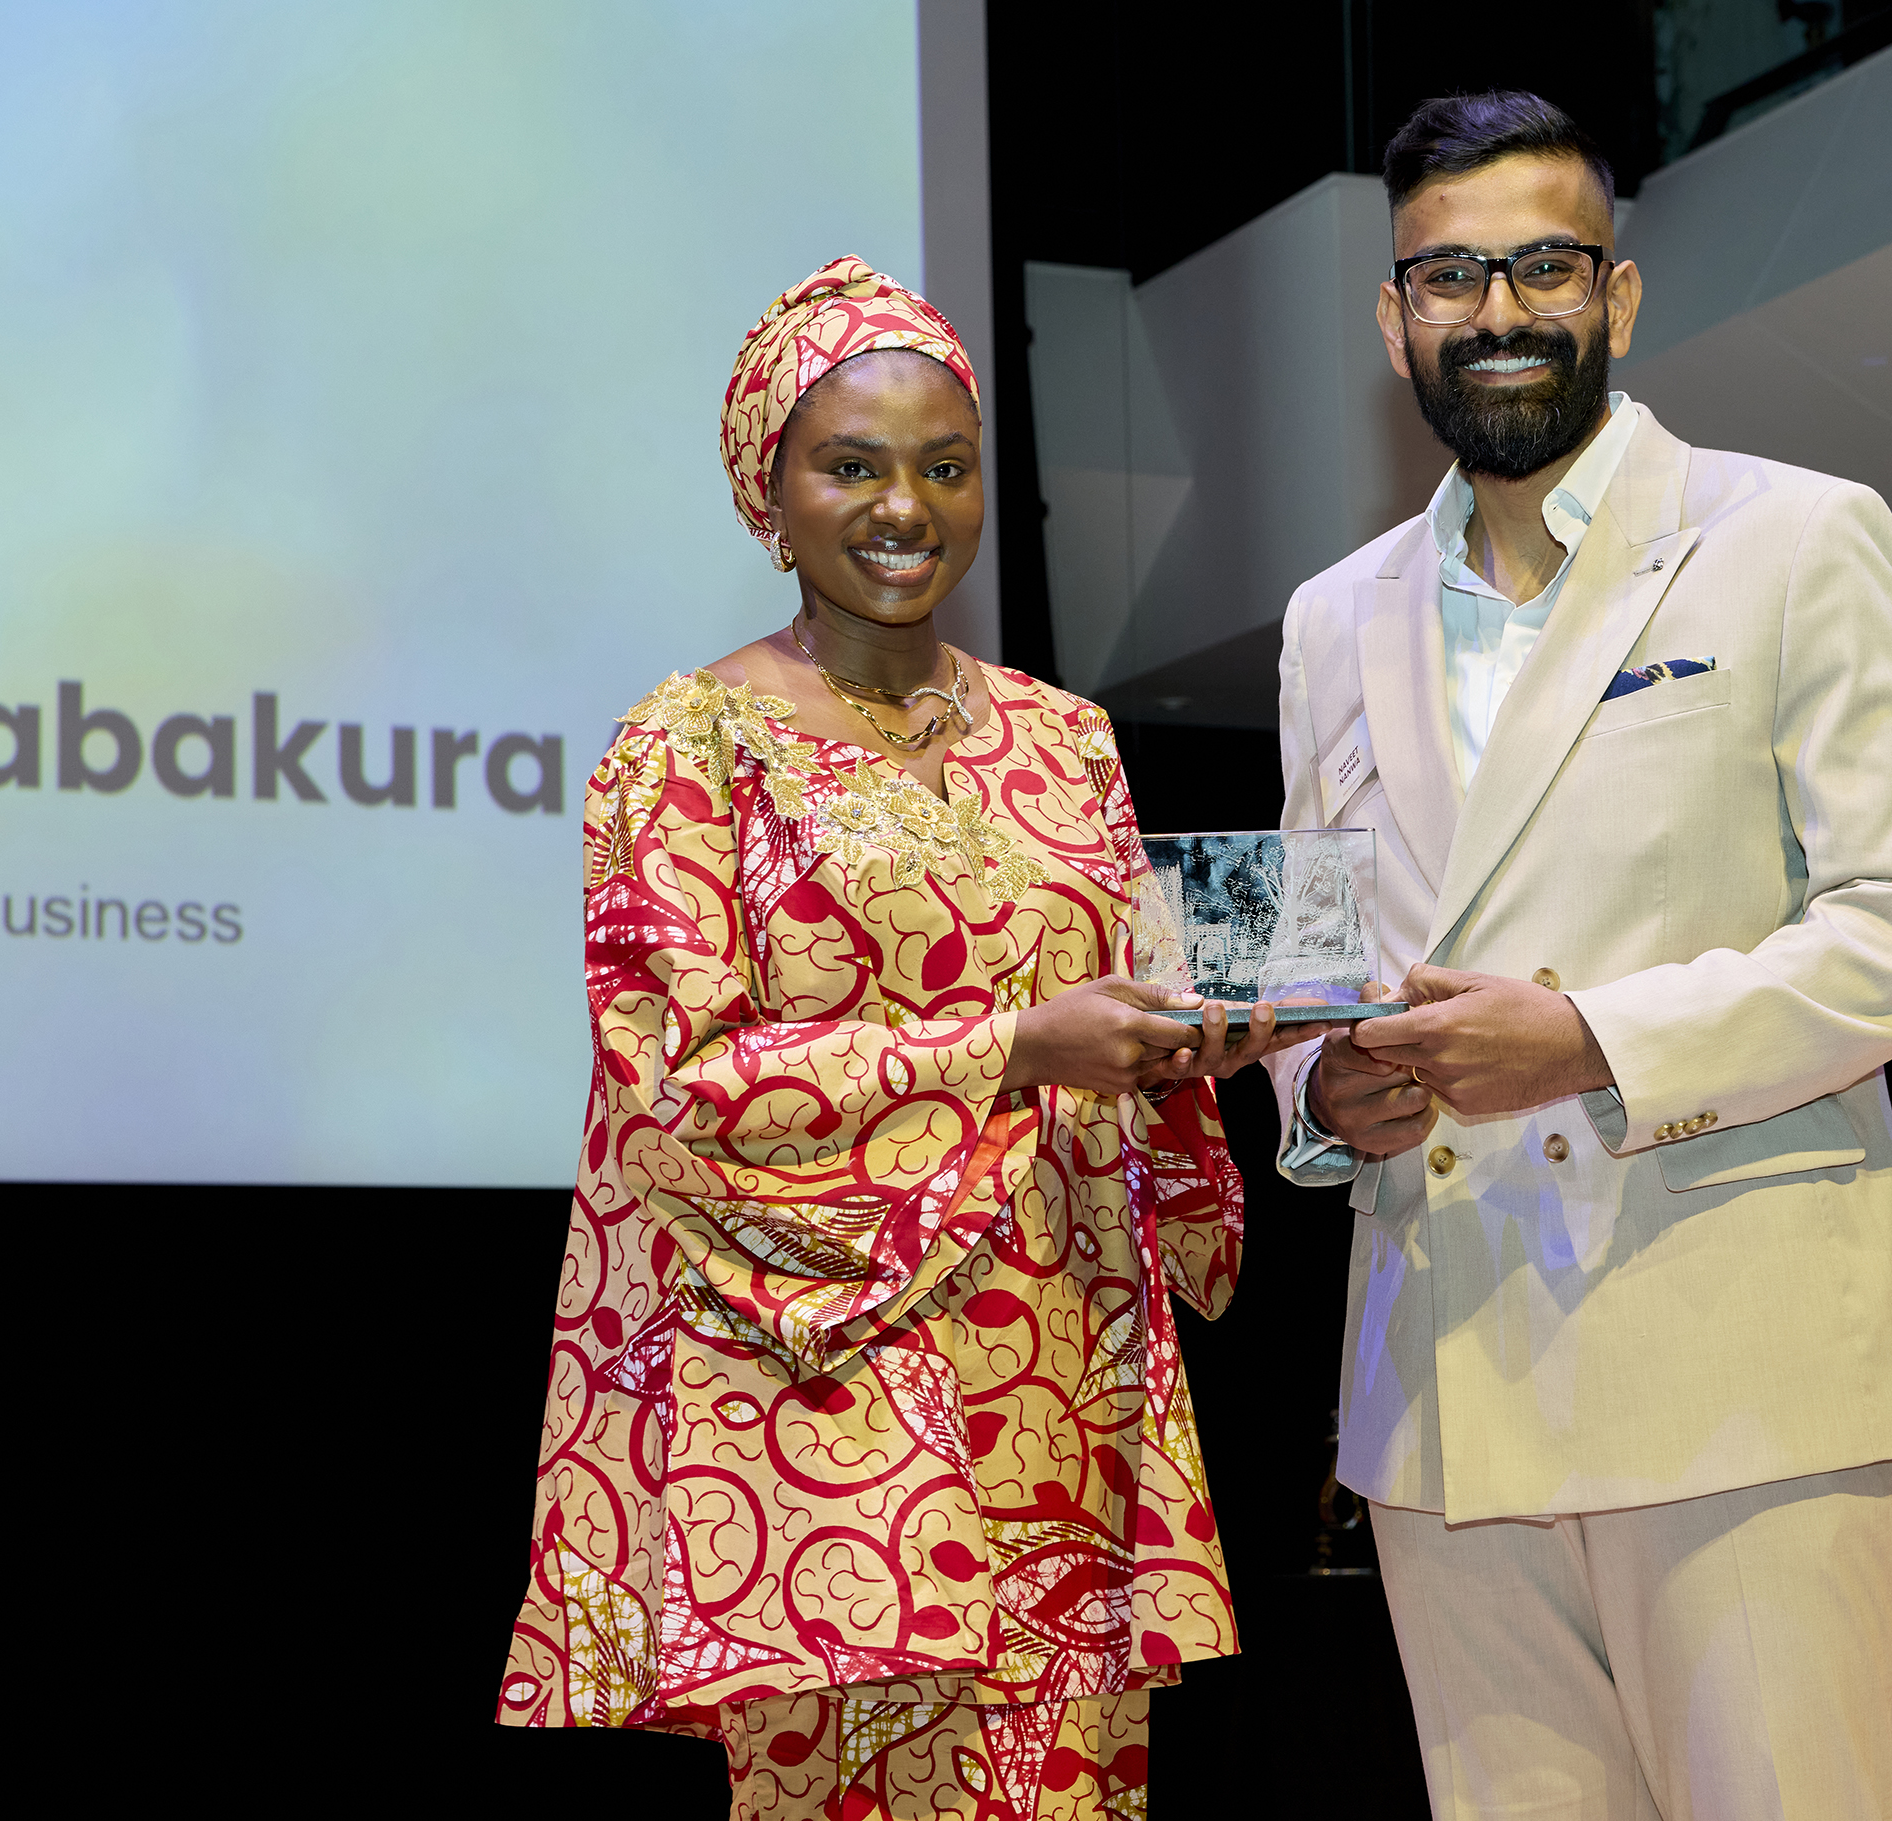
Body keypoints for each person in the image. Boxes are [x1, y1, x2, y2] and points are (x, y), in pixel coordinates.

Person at [1263, 95, 1892, 1820]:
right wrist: (1329, 1084)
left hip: (1732, 1379)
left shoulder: (1794, 537)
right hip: (1440, 1403)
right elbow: (1306, 963)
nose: (1499, 310)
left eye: (1543, 265)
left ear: (1620, 292)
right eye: (1448, 273)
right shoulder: (1329, 615)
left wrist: (1593, 1036)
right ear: (1393, 319)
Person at [497, 257, 1299, 1817]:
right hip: (814, 1407)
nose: (905, 507)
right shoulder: (688, 745)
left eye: (945, 465)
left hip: (1066, 1390)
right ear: (767, 490)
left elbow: (1118, 1024)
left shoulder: (1068, 739)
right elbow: (672, 1097)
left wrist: (1195, 1044)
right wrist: (1012, 1048)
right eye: (851, 465)